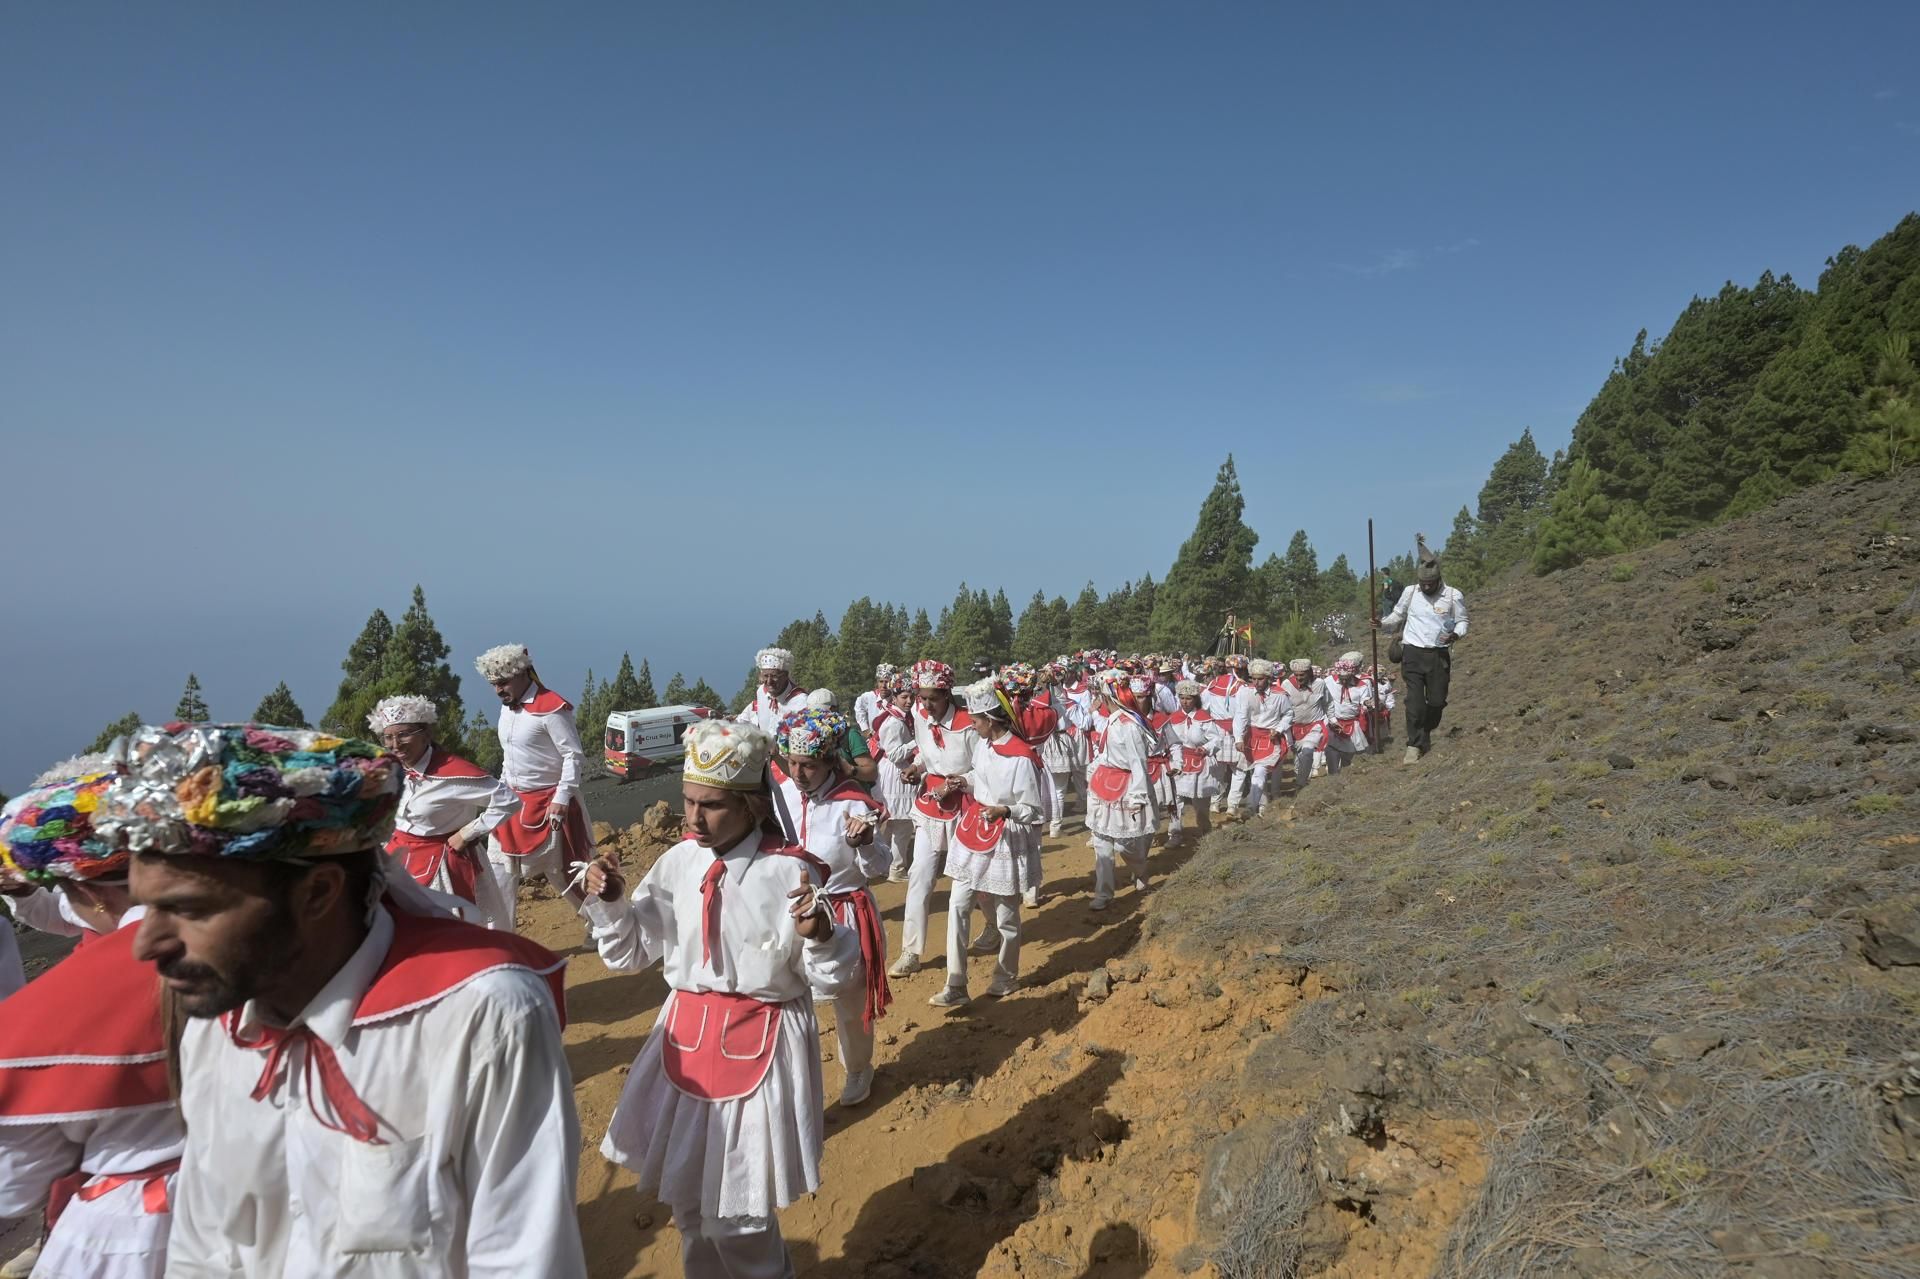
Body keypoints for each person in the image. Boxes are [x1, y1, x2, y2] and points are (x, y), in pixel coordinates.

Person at [106, 722, 586, 1276]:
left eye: (190, 909)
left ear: (317, 894)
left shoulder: (480, 1018)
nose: (147, 944)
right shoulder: (216, 1031)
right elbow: (202, 1251)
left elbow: (523, 1261)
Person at [580, 719, 860, 1279]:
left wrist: (823, 938)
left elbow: (825, 980)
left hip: (761, 1040)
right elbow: (631, 953)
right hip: (683, 1039)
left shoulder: (789, 871)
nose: (692, 818)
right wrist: (612, 904)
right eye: (687, 802)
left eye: (710, 805)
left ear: (754, 806)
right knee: (688, 1204)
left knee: (739, 1216)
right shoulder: (680, 864)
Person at [0, 766, 184, 1279]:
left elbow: (11, 1184)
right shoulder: (283, 942)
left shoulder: (56, 1010)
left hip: (136, 1231)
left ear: (93, 893)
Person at [772, 709, 890, 1107]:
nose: (798, 773)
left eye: (808, 765)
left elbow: (881, 868)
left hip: (845, 914)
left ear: (828, 762)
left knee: (850, 1001)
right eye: (792, 763)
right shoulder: (781, 796)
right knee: (786, 997)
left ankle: (858, 1067)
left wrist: (867, 843)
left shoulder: (854, 804)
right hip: (790, 914)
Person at [929, 681, 1045, 1009]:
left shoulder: (1021, 758)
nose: (972, 724)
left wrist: (1005, 810)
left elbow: (1033, 810)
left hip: (1006, 835)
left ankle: (1005, 975)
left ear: (991, 720)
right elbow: (979, 778)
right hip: (975, 830)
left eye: (976, 719)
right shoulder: (984, 746)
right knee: (958, 903)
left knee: (1007, 914)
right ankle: (956, 983)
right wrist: (960, 782)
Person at [475, 643, 595, 930]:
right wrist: (500, 791)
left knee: (564, 874)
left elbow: (573, 755)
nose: (497, 690)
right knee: (499, 872)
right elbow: (510, 757)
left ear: (523, 674)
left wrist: (563, 797)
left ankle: (604, 925)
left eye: (502, 683)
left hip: (549, 807)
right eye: (493, 684)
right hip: (511, 804)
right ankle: (501, 938)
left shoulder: (552, 708)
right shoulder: (507, 710)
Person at [370, 694, 517, 909]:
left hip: (444, 867)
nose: (395, 744)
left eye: (403, 735)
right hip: (399, 861)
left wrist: (467, 833)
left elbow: (509, 801)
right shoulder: (392, 769)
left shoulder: (455, 774)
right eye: (388, 737)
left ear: (426, 733)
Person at [889, 661, 977, 979]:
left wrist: (954, 783)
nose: (925, 704)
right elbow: (927, 753)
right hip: (930, 807)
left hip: (966, 805)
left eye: (932, 698)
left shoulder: (969, 724)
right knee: (920, 876)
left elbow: (983, 768)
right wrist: (918, 767)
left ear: (947, 694)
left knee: (967, 878)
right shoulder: (920, 716)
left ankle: (992, 928)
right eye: (922, 697)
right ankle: (911, 951)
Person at [1375, 551, 1469, 763]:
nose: (1426, 587)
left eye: (1430, 584)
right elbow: (1398, 615)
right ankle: (1414, 745)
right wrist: (1381, 624)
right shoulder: (1410, 592)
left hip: (1438, 654)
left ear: (1438, 580)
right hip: (1412, 653)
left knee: (1436, 701)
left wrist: (1456, 634)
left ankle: (1426, 731)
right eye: (1423, 583)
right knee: (1415, 703)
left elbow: (1462, 621)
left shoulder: (1454, 595)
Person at [1084, 672, 1157, 911]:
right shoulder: (1112, 721)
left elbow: (1138, 762)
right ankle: (1103, 892)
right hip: (1104, 784)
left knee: (1125, 843)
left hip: (1125, 788)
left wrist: (1138, 795)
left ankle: (1141, 870)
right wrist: (1093, 772)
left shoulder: (1129, 726)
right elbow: (1104, 753)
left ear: (1110, 696)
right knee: (1101, 841)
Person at [1162, 680, 1228, 845]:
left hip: (1200, 765)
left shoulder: (1204, 718)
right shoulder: (1172, 718)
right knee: (1175, 800)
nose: (1185, 702)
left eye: (1189, 698)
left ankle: (1205, 830)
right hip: (1178, 763)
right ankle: (1175, 834)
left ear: (1195, 699)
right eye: (1182, 698)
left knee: (1200, 804)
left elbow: (1216, 739)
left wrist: (1205, 748)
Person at [869, 676, 919, 883]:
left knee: (892, 824)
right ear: (895, 697)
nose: (909, 701)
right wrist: (918, 742)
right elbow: (895, 753)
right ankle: (896, 868)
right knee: (902, 825)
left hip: (895, 772)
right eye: (904, 697)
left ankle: (885, 864)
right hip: (895, 773)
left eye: (911, 697)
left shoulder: (897, 717)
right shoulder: (894, 723)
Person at [1228, 660, 1290, 817]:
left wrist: (1279, 729)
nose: (1256, 682)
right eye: (1253, 678)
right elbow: (1240, 716)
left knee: (1260, 772)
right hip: (1251, 736)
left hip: (1270, 738)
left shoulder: (1280, 695)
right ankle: (1262, 805)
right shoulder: (1245, 692)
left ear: (1268, 678)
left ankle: (1250, 807)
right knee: (1251, 772)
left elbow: (1289, 714)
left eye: (1260, 679)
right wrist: (1238, 738)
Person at [1279, 658, 1334, 791]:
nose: (1299, 678)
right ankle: (1301, 781)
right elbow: (1280, 706)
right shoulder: (1286, 685)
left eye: (1302, 675)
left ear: (1309, 673)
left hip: (1314, 725)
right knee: (1298, 758)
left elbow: (1328, 703)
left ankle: (1301, 782)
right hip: (1294, 728)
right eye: (1296, 675)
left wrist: (1332, 720)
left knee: (1308, 750)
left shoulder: (1320, 684)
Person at [737, 647, 810, 737]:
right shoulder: (761, 692)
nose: (769, 681)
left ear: (785, 676)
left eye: (774, 676)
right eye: (765, 676)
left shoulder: (800, 701)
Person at [852, 665, 894, 736]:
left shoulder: (897, 699)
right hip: (873, 741)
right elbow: (859, 705)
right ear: (877, 683)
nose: (883, 685)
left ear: (892, 683)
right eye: (881, 681)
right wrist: (865, 728)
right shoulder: (870, 696)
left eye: (887, 682)